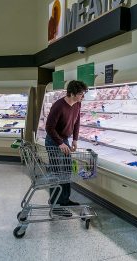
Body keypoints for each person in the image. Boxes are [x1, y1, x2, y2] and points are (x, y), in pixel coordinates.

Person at [45, 80, 88, 209]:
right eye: (81, 94)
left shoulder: (77, 104)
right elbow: (49, 127)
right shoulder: (58, 106)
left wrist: (75, 139)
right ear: (72, 93)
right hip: (54, 142)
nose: (83, 96)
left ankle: (65, 200)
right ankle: (55, 203)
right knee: (58, 173)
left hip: (66, 141)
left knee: (67, 171)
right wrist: (60, 143)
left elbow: (77, 121)